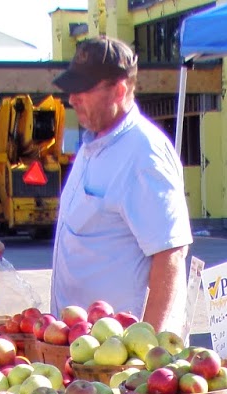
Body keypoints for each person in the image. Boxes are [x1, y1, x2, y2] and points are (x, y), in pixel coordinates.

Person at [51, 38, 191, 333]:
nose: (72, 99)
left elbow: (171, 255)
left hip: (122, 360)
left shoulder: (144, 153)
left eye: (83, 90)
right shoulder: (93, 145)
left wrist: (147, 353)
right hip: (85, 350)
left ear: (119, 89)